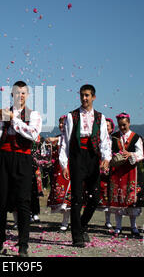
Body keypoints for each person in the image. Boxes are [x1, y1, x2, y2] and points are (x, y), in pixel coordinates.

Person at [0, 80, 42, 257]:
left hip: (23, 159)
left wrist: (14, 120)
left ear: (27, 95)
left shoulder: (33, 114)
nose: (20, 96)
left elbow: (32, 134)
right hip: (4, 158)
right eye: (16, 93)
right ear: (12, 94)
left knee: (23, 202)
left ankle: (23, 245)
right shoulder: (5, 112)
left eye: (23, 93)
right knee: (1, 201)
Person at [59, 84, 111, 248]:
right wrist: (63, 163)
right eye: (82, 95)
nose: (84, 98)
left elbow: (104, 139)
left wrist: (106, 157)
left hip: (92, 157)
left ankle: (81, 225)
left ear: (93, 97)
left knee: (95, 198)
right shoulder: (71, 116)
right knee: (76, 198)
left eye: (87, 95)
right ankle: (77, 237)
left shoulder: (100, 117)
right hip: (77, 157)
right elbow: (65, 142)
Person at [109, 113, 144, 238]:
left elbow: (141, 154)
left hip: (132, 171)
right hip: (117, 171)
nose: (122, 127)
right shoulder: (113, 137)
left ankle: (133, 226)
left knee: (132, 200)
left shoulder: (136, 137)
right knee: (118, 198)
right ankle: (118, 226)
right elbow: (108, 151)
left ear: (129, 123)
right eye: (120, 125)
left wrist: (130, 154)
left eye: (124, 125)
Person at [47, 115, 72, 232]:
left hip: (70, 168)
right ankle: (65, 221)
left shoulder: (70, 138)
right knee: (61, 196)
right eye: (60, 123)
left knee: (69, 195)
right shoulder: (58, 138)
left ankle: (66, 222)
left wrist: (56, 140)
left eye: (64, 123)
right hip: (59, 169)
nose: (62, 125)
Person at [96, 117, 115, 229]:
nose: (105, 128)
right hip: (99, 166)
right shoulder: (98, 139)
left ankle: (108, 221)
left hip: (111, 168)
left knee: (109, 194)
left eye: (107, 126)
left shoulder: (114, 140)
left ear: (111, 128)